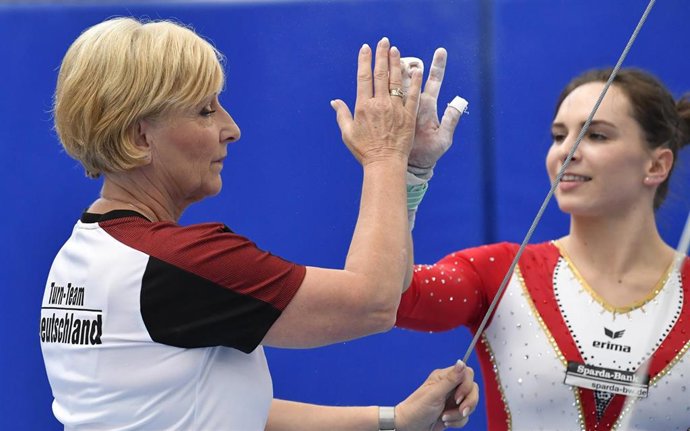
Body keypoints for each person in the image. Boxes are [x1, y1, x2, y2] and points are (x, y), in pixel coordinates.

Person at [39, 17, 479, 430]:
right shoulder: (177, 263)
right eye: (205, 111)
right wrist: (386, 153)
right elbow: (375, 302)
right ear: (139, 137)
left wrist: (393, 420)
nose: (231, 128)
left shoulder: (81, 257)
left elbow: (230, 409)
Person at [396, 67, 690, 430]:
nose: (566, 151)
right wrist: (408, 173)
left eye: (595, 135)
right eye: (558, 135)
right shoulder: (497, 273)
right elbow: (395, 297)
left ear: (657, 164)